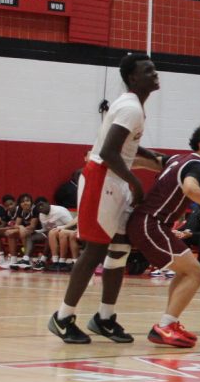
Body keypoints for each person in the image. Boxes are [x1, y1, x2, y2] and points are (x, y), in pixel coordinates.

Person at [48, 53, 164, 345]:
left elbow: (125, 149)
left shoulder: (133, 106)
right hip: (102, 179)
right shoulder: (130, 108)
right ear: (133, 78)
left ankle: (105, 318)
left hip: (114, 180)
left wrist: (154, 158)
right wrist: (136, 183)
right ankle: (62, 318)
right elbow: (110, 152)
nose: (155, 73)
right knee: (95, 251)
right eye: (148, 71)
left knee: (121, 248)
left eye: (154, 69)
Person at [126, 125, 200, 347]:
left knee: (185, 272)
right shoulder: (198, 165)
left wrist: (111, 160)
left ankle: (170, 322)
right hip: (151, 223)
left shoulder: (178, 159)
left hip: (149, 223)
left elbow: (141, 161)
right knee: (195, 273)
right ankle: (165, 326)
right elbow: (190, 189)